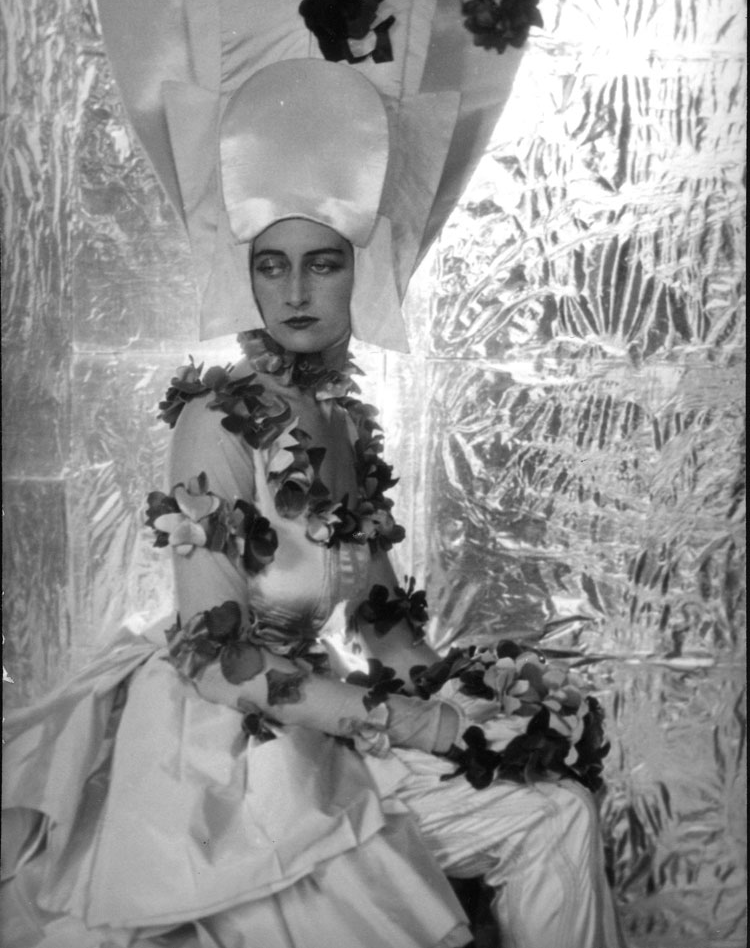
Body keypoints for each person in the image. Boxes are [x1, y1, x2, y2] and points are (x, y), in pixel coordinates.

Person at [2, 60, 626, 948]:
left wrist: (492, 707)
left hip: (326, 720)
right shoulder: (214, 420)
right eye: (273, 265)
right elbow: (214, 659)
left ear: (353, 271)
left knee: (556, 809)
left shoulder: (343, 427)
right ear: (250, 276)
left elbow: (385, 632)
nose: (296, 292)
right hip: (223, 754)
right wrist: (411, 722)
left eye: (321, 263)